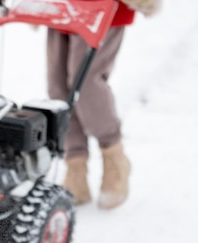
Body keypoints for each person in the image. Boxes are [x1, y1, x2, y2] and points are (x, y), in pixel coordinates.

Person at [47, 0, 161, 209]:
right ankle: (76, 167)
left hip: (102, 7)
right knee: (58, 87)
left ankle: (114, 159)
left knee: (86, 82)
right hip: (59, 6)